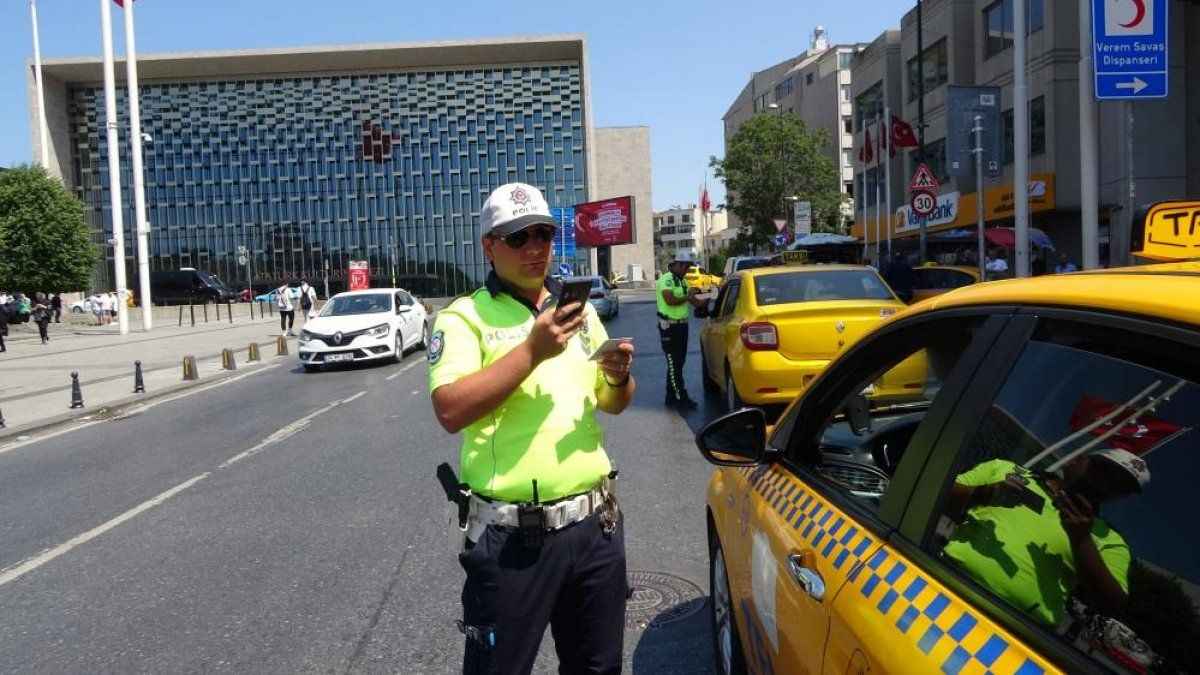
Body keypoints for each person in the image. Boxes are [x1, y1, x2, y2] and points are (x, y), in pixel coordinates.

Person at [429, 182, 635, 675]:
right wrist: (532, 352)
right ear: (489, 246)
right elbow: (450, 410)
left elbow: (613, 402)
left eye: (543, 234)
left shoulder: (578, 311)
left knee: (599, 669)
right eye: (518, 237)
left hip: (595, 527)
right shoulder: (464, 317)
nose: (535, 248)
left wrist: (618, 376)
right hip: (512, 542)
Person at [942, 448, 1148, 627]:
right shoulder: (1005, 470)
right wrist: (985, 493)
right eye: (1102, 470)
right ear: (1074, 461)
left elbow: (1112, 603)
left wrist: (1081, 540)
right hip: (944, 583)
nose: (1105, 484)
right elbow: (937, 491)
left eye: (1119, 486)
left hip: (1017, 630)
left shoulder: (1110, 540)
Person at [657, 250, 706, 410]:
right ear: (677, 264)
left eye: (689, 267)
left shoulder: (684, 282)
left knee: (679, 363)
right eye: (685, 267)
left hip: (682, 326)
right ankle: (681, 397)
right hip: (668, 327)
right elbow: (669, 300)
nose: (687, 270)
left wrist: (708, 297)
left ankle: (670, 397)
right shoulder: (666, 279)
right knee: (674, 363)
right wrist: (688, 296)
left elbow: (695, 303)